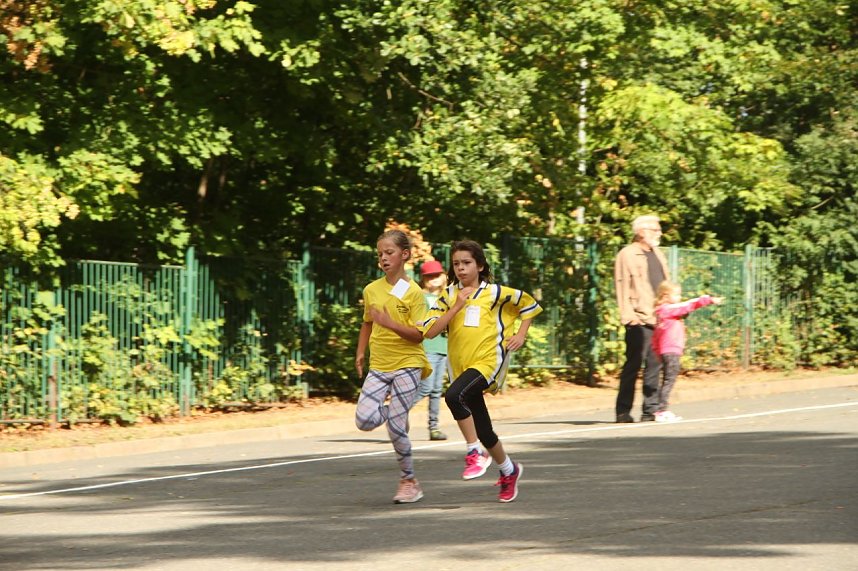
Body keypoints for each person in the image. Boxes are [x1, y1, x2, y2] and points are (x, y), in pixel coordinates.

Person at [423, 240, 542, 503]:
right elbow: (430, 331)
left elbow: (529, 305)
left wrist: (521, 334)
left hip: (488, 361)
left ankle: (474, 452)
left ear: (479, 265)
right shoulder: (448, 296)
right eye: (456, 264)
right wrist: (456, 307)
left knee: (453, 396)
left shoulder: (496, 293)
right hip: (461, 366)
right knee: (484, 430)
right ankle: (509, 470)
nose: (461, 268)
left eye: (467, 263)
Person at [354, 229, 432, 504]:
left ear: (405, 255)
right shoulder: (371, 289)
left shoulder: (415, 293)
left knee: (396, 428)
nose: (384, 259)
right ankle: (395, 412)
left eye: (389, 253)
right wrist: (360, 352)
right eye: (380, 254)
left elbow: (419, 335)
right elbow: (367, 322)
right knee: (364, 420)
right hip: (379, 364)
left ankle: (409, 482)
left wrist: (390, 323)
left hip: (409, 364)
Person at [614, 214, 670, 423]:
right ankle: (623, 411)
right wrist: (628, 316)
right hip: (638, 317)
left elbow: (666, 285)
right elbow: (622, 284)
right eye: (655, 230)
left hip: (659, 317)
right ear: (641, 232)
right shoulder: (627, 254)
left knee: (655, 365)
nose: (659, 233)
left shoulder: (658, 254)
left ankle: (650, 410)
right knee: (633, 365)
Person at [652, 281, 723, 422]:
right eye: (676, 295)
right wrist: (707, 300)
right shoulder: (668, 310)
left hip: (667, 351)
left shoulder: (661, 313)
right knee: (669, 381)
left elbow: (655, 337)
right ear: (665, 296)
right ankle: (661, 410)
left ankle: (661, 409)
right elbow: (687, 305)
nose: (679, 297)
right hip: (671, 350)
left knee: (667, 380)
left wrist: (657, 352)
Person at [414, 259, 449, 441]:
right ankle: (395, 412)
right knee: (425, 388)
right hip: (428, 347)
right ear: (424, 279)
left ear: (443, 276)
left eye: (437, 275)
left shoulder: (447, 297)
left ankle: (434, 428)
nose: (434, 279)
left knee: (436, 390)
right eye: (429, 276)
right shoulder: (422, 297)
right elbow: (420, 321)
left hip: (443, 348)